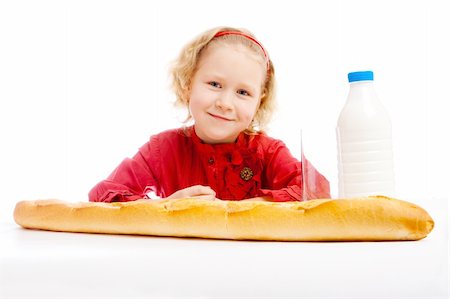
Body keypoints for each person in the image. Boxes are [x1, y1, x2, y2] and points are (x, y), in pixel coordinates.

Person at [89, 26, 330, 203]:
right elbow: (104, 196)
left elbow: (316, 191)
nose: (225, 103)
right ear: (188, 84)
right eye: (214, 84)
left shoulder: (268, 152)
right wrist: (166, 206)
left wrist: (250, 207)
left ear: (259, 101)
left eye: (243, 92)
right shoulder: (163, 150)